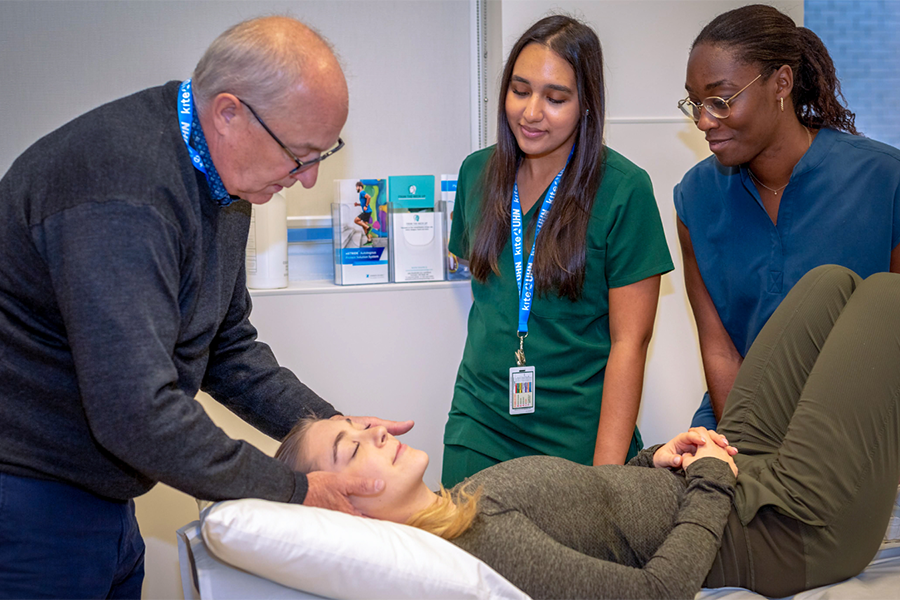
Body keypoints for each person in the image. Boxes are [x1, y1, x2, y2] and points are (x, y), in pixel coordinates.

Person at [0, 16, 412, 599]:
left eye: (324, 152)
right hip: (28, 501)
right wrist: (295, 491)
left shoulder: (224, 179)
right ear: (228, 113)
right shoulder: (123, 193)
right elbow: (135, 411)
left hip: (102, 496)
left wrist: (335, 426)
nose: (309, 176)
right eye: (300, 154)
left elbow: (226, 343)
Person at [278, 264, 900, 600]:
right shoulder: (482, 548)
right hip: (787, 526)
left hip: (728, 477)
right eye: (350, 446)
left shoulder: (466, 502)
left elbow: (602, 511)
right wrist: (709, 482)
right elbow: (657, 594)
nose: (375, 432)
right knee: (887, 299)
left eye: (358, 424)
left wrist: (659, 458)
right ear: (341, 506)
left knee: (832, 284)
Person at [441, 15, 673, 487]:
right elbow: (494, 302)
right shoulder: (476, 174)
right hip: (479, 424)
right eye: (520, 90)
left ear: (587, 104)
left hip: (577, 436)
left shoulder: (624, 190)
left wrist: (605, 481)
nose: (531, 112)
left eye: (555, 98)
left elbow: (631, 344)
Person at [674, 4, 900, 429]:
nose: (704, 121)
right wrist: (748, 454)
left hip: (858, 432)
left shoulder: (885, 180)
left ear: (781, 83)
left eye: (721, 101)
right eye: (696, 102)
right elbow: (721, 351)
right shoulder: (696, 197)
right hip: (739, 423)